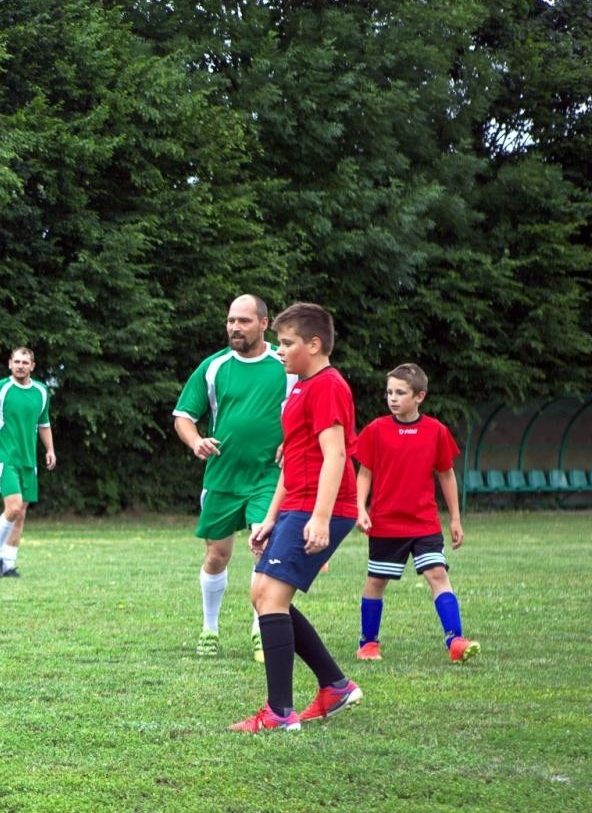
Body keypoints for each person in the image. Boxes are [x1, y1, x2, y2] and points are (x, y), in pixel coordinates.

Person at [234, 303, 362, 732]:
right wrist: (271, 517)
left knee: (271, 598)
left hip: (319, 506)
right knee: (262, 592)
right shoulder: (301, 388)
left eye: (287, 343)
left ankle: (279, 712)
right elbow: (293, 459)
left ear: (314, 344)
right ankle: (334, 685)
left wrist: (321, 518)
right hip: (296, 505)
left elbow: (335, 455)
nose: (281, 350)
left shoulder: (327, 386)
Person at [173, 295, 294, 661]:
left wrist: (294, 442)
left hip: (267, 476)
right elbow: (183, 415)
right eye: (230, 321)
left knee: (265, 548)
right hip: (223, 476)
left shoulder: (284, 364)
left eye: (243, 321)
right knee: (216, 555)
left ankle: (261, 629)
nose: (234, 328)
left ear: (264, 323)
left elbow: (307, 407)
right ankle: (210, 629)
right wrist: (195, 441)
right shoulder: (214, 367)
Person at [352, 364, 480, 663]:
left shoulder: (436, 431)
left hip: (424, 522)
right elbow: (365, 474)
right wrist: (360, 508)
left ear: (419, 396)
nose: (392, 398)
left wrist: (456, 519)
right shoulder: (375, 430)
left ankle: (456, 641)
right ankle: (368, 643)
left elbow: (447, 476)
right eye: (389, 392)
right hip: (385, 523)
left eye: (400, 392)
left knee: (437, 573)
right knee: (376, 581)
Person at [0, 347, 56, 578]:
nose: (20, 365)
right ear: (10, 364)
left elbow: (44, 424)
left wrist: (50, 449)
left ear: (32, 366)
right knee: (12, 507)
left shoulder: (41, 391)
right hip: (5, 458)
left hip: (28, 461)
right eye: (17, 361)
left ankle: (9, 565)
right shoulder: (0, 389)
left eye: (25, 362)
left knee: (21, 513)